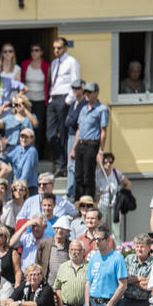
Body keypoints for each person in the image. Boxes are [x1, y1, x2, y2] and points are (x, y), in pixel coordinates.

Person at [47, 38, 81, 176]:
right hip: (53, 98)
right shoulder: (54, 63)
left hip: (64, 98)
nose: (56, 50)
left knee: (63, 133)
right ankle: (60, 162)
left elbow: (75, 81)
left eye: (59, 48)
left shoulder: (71, 62)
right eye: (54, 48)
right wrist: (50, 98)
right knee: (50, 135)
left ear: (65, 48)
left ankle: (64, 165)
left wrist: (69, 100)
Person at [71, 82, 109, 200]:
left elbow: (103, 132)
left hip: (92, 145)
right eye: (85, 92)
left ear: (96, 93)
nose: (86, 94)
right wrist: (73, 148)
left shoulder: (102, 109)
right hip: (81, 144)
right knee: (78, 176)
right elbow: (79, 129)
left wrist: (100, 151)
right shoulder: (83, 109)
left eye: (89, 92)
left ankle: (88, 202)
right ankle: (78, 204)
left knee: (88, 177)